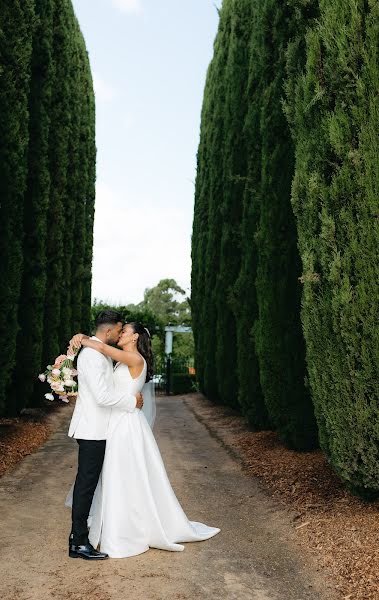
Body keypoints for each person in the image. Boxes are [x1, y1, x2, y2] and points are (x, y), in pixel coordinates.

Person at [68, 321, 220, 558]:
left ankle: (126, 530)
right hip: (117, 422)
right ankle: (112, 524)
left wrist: (83, 339)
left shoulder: (135, 359)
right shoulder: (123, 359)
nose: (121, 334)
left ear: (134, 337)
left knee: (125, 475)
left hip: (125, 425)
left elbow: (105, 349)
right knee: (117, 475)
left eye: (125, 331)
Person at [68, 310, 144, 561]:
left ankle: (79, 537)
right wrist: (131, 400)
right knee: (86, 485)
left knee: (89, 484)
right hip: (93, 429)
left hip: (101, 428)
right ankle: (79, 542)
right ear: (109, 331)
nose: (120, 333)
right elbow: (102, 396)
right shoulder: (92, 354)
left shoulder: (100, 352)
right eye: (119, 329)